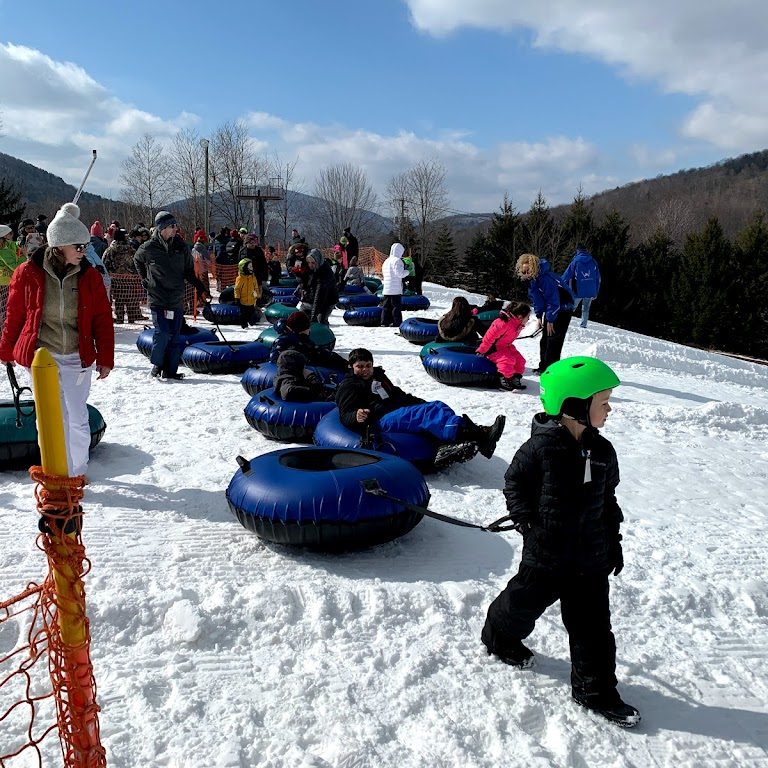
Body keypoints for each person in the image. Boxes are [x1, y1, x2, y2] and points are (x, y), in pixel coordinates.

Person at [480, 356, 640, 727]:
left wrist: (612, 541)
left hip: (591, 558)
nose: (609, 409)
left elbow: (607, 500)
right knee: (521, 604)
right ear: (574, 406)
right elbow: (515, 482)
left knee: (594, 629)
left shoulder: (603, 452)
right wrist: (525, 519)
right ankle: (498, 635)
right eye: (603, 402)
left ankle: (595, 690)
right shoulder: (540, 448)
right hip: (547, 552)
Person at [0, 202, 114, 477]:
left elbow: (102, 318)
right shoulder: (27, 273)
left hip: (77, 355)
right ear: (59, 245)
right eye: (78, 246)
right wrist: (5, 350)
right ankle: (53, 468)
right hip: (41, 359)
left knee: (76, 416)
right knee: (48, 418)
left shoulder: (89, 276)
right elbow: (14, 315)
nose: (83, 251)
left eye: (85, 246)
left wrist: (106, 358)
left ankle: (76, 472)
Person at [335, 347, 506, 459]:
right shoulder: (349, 386)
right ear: (351, 367)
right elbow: (345, 416)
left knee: (437, 406)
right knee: (427, 413)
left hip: (393, 409)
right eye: (360, 366)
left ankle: (460, 439)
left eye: (368, 365)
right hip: (378, 420)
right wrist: (356, 416)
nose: (365, 370)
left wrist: (419, 403)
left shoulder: (378, 376)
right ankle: (479, 435)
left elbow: (396, 394)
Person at [134, 210, 210, 380]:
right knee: (161, 333)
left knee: (175, 336)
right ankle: (157, 365)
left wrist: (201, 288)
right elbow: (137, 260)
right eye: (172, 226)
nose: (176, 229)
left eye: (175, 225)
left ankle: (171, 370)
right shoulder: (149, 247)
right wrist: (144, 279)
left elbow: (189, 272)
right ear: (162, 228)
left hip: (175, 297)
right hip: (157, 297)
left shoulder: (181, 247)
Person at [516, 253, 574, 375]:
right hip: (552, 309)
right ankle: (544, 366)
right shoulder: (532, 281)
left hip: (562, 310)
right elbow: (537, 299)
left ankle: (551, 370)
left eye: (528, 270)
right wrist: (538, 316)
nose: (526, 274)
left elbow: (554, 301)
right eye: (524, 271)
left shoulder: (545, 279)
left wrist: (551, 320)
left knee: (554, 340)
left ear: (534, 268)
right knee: (545, 340)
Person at [476, 302, 531, 391]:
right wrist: (482, 350)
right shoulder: (502, 323)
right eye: (527, 317)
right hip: (493, 348)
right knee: (507, 360)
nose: (528, 319)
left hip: (506, 346)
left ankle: (514, 379)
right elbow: (489, 337)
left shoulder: (517, 323)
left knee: (520, 360)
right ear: (520, 316)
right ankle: (503, 380)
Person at [269, 310, 347, 370]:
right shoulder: (284, 342)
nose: (309, 331)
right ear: (300, 330)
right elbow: (277, 360)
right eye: (307, 328)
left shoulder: (301, 340)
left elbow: (317, 351)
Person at [103, 229, 143, 323]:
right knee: (131, 298)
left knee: (119, 299)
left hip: (116, 279)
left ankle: (120, 318)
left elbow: (105, 263)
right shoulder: (131, 250)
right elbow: (138, 263)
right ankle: (131, 318)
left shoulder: (111, 250)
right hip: (131, 279)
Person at [562, 244, 601, 328]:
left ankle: (564, 321)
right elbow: (598, 278)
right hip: (590, 290)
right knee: (586, 309)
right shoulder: (593, 261)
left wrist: (559, 283)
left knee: (572, 306)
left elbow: (567, 275)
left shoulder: (575, 261)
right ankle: (583, 325)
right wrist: (596, 292)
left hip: (578, 290)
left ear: (578, 251)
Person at [0, 225, 25, 330]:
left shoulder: (7, 245)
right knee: (6, 308)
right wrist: (24, 255)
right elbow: (15, 266)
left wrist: (20, 246)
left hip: (8, 281)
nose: (12, 235)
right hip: (4, 282)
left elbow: (15, 246)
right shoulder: (2, 250)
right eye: (9, 234)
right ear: (4, 236)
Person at [305, 248, 338, 325]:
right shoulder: (314, 268)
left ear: (317, 261)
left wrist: (313, 315)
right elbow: (309, 283)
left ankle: (326, 335)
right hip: (318, 297)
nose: (310, 265)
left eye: (313, 263)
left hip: (329, 299)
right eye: (309, 262)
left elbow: (320, 294)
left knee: (321, 319)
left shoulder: (325, 273)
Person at [380, 242, 409, 327]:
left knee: (386, 307)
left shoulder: (386, 261)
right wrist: (407, 271)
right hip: (395, 289)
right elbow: (400, 274)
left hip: (386, 288)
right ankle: (396, 322)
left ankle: (384, 321)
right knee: (396, 307)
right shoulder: (397, 261)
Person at [234, 258, 259, 328]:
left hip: (251, 300)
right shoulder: (240, 278)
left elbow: (255, 288)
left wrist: (256, 296)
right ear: (244, 268)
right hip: (243, 301)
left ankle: (252, 322)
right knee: (243, 314)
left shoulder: (253, 277)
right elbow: (237, 289)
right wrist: (237, 298)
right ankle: (244, 325)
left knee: (251, 313)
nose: (252, 268)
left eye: (252, 266)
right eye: (250, 267)